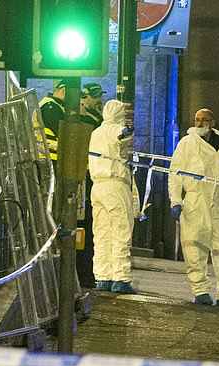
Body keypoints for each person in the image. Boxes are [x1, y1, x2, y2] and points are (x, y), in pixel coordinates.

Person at [168, 108, 219, 309]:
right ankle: (200, 291)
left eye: (204, 120)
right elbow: (175, 173)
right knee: (195, 249)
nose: (200, 124)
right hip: (196, 203)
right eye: (197, 120)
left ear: (212, 122)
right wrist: (176, 200)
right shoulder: (187, 144)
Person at [88, 100, 138, 294]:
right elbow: (122, 135)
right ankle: (121, 278)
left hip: (97, 186)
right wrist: (128, 130)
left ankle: (102, 276)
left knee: (101, 233)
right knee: (121, 231)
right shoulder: (115, 129)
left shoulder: (95, 132)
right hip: (115, 184)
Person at [76, 82, 106, 285]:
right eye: (95, 96)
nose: (99, 100)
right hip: (84, 177)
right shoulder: (84, 120)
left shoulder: (98, 118)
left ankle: (90, 271)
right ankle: (83, 272)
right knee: (84, 225)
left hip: (94, 177)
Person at [39, 80, 66, 161]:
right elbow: (63, 133)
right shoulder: (52, 108)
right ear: (64, 91)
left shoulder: (50, 104)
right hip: (50, 156)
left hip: (47, 155)